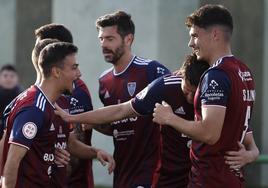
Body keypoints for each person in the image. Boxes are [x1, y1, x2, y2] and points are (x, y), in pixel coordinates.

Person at [55, 53, 208, 187]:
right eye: (186, 90)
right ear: (181, 75)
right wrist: (72, 117)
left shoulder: (214, 92)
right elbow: (121, 110)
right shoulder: (165, 86)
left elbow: (220, 129)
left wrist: (233, 149)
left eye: (194, 94)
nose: (189, 98)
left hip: (203, 174)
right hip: (167, 175)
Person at [152, 4, 257, 187]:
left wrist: (169, 118)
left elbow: (209, 133)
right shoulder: (244, 71)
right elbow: (245, 137)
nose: (191, 43)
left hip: (210, 180)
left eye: (194, 36)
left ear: (215, 34)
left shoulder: (215, 75)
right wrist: (251, 154)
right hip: (232, 179)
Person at [33, 23, 115, 188]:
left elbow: (71, 147)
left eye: (43, 47)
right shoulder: (33, 97)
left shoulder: (74, 91)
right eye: (37, 47)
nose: (37, 53)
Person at [95, 10, 170, 187]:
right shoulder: (104, 81)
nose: (103, 44)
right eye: (101, 39)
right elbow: (116, 125)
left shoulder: (151, 70)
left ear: (128, 39)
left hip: (151, 169)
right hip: (122, 170)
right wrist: (91, 122)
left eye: (110, 39)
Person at [0, 42, 80, 188]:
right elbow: (12, 162)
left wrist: (51, 152)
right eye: (74, 68)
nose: (78, 73)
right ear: (56, 72)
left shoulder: (43, 102)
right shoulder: (34, 108)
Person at [0, 64, 22, 129]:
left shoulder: (23, 97)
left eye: (12, 76)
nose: (8, 79)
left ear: (17, 78)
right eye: (5, 76)